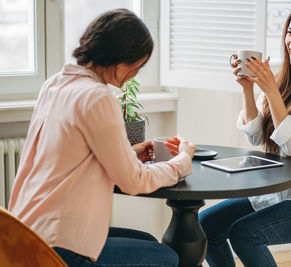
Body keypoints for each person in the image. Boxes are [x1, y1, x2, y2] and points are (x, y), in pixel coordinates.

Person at [8, 9, 196, 267]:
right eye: (137, 66)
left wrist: (130, 153)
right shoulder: (97, 96)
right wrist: (182, 161)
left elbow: (70, 158)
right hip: (58, 248)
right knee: (167, 257)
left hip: (26, 235)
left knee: (148, 242)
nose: (135, 74)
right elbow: (133, 181)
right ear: (120, 59)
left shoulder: (54, 84)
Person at [199, 1, 291, 266]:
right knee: (204, 226)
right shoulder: (284, 81)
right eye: (290, 32)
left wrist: (270, 91)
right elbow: (256, 135)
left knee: (245, 233)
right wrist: (247, 88)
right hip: (278, 194)